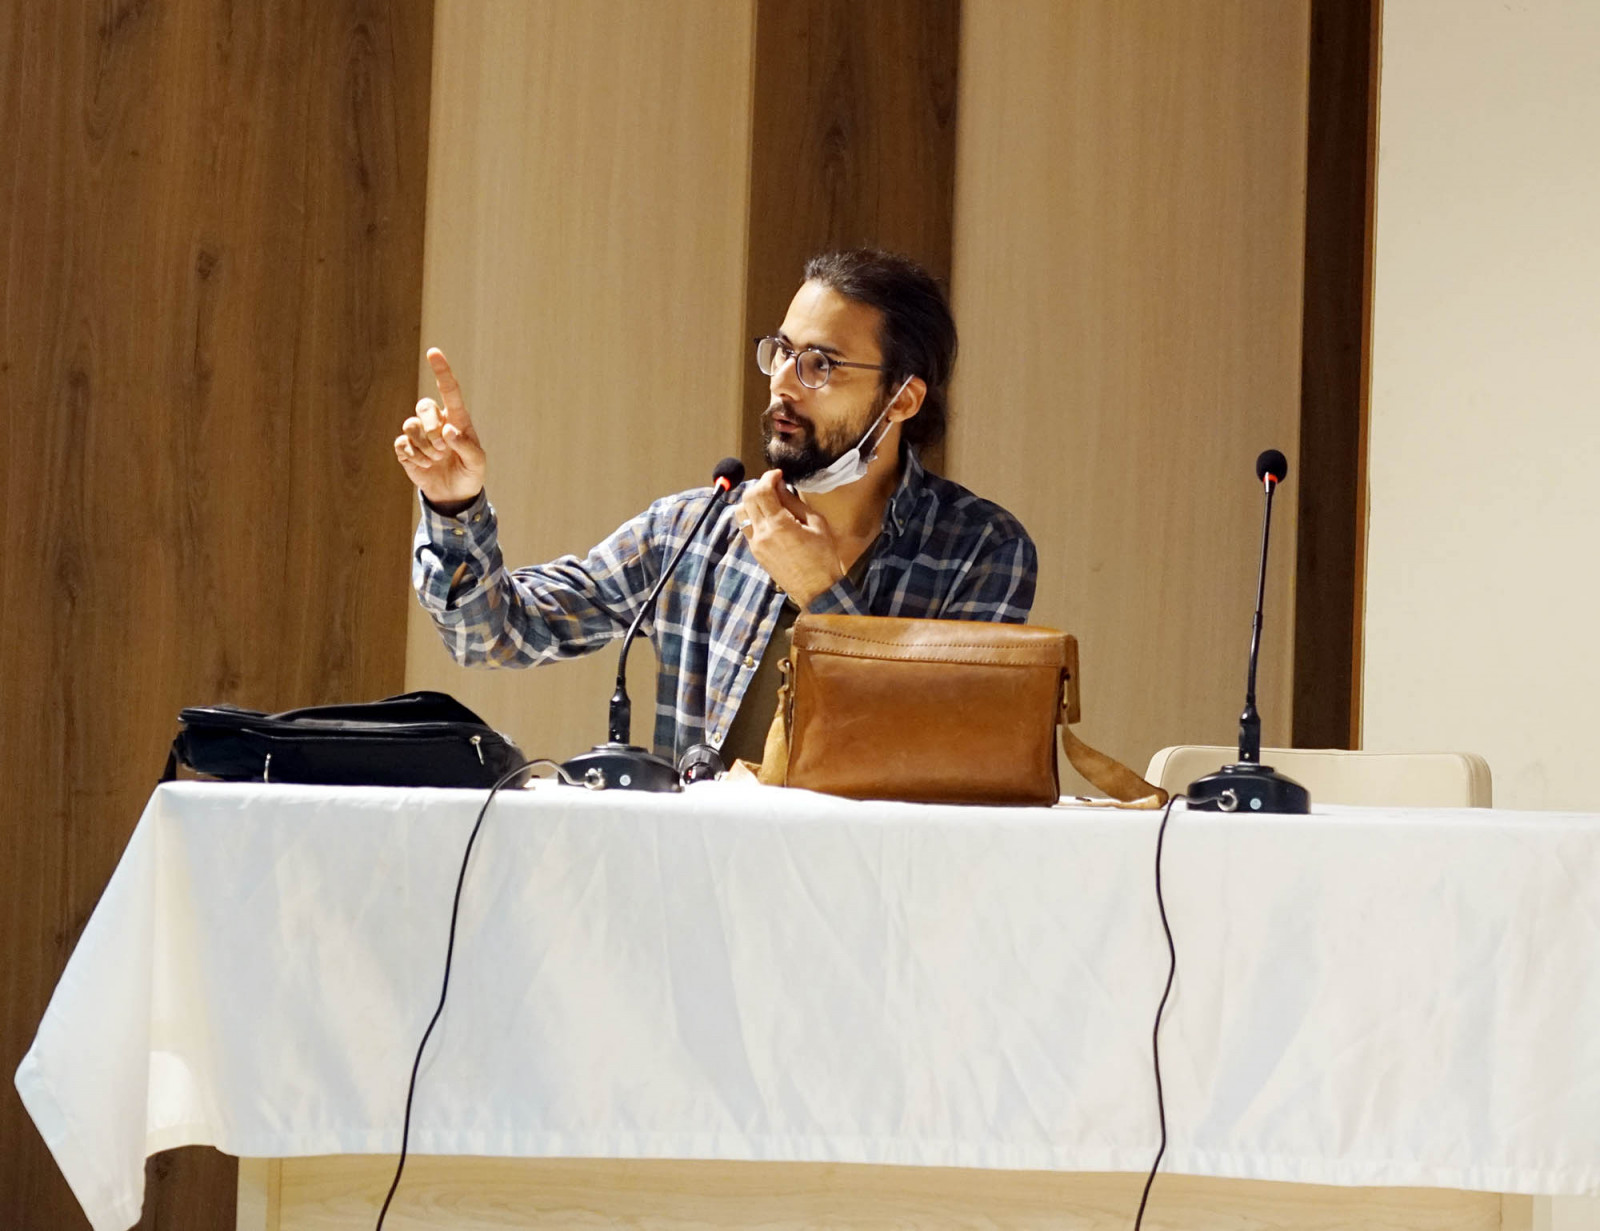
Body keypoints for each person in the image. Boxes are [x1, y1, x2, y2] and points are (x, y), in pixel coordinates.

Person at [397, 249, 1037, 765]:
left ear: (902, 400)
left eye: (820, 365)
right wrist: (454, 505)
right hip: (696, 877)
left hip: (870, 881)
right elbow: (493, 635)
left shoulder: (979, 550)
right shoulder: (695, 529)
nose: (783, 382)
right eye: (782, 352)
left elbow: (940, 752)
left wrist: (822, 595)